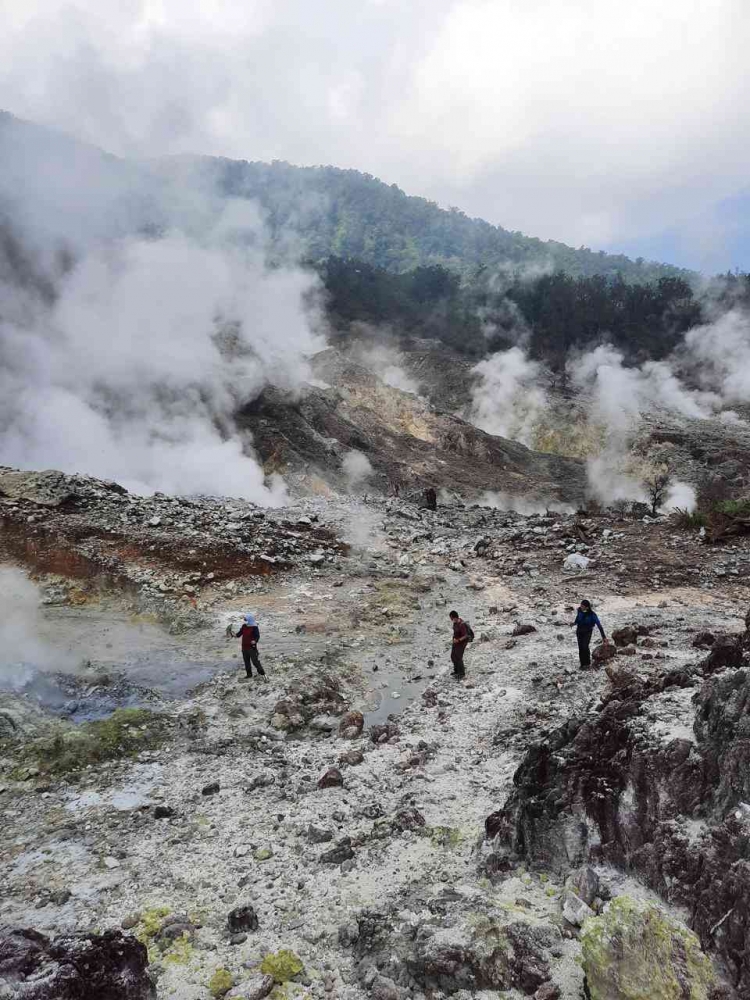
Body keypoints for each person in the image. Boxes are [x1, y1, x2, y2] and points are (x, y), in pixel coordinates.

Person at [570, 599, 607, 668]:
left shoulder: (592, 615)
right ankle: (582, 664)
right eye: (581, 605)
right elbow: (578, 618)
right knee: (580, 648)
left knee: (585, 646)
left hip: (588, 632)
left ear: (587, 607)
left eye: (582, 606)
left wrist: (604, 637)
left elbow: (599, 626)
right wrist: (574, 623)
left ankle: (587, 663)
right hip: (579, 631)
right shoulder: (579, 611)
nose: (581, 607)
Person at [234, 613, 266, 680]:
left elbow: (257, 636)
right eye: (244, 618)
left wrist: (255, 641)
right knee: (246, 662)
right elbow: (239, 634)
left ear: (249, 619)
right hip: (244, 647)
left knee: (255, 662)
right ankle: (249, 675)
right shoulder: (244, 626)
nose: (244, 620)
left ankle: (262, 674)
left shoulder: (254, 627)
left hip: (251, 648)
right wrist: (233, 635)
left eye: (245, 618)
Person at [449, 610, 471, 679]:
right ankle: (456, 671)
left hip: (462, 642)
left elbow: (465, 635)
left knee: (458, 657)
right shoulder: (455, 623)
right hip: (456, 642)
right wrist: (454, 640)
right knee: (453, 656)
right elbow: (455, 632)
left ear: (453, 617)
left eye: (451, 618)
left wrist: (458, 640)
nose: (450, 619)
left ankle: (461, 673)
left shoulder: (461, 624)